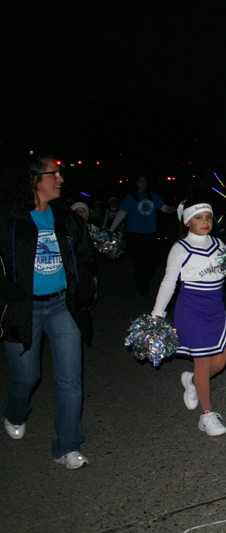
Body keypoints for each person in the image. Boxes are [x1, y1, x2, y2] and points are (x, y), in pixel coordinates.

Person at [1, 152, 95, 469]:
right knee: (27, 377)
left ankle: (67, 445)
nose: (61, 179)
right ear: (33, 180)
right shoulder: (9, 219)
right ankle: (14, 411)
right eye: (53, 174)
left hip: (61, 306)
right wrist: (4, 286)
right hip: (22, 309)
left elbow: (83, 256)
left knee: (71, 379)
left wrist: (85, 284)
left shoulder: (66, 218)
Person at [151, 200, 226, 435]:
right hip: (192, 311)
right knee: (204, 362)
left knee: (219, 364)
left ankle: (193, 381)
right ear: (186, 221)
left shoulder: (219, 244)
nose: (204, 222)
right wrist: (157, 314)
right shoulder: (180, 248)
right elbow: (168, 282)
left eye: (208, 217)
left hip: (216, 311)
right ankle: (207, 416)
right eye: (198, 217)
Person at [109, 176, 175, 295]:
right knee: (138, 262)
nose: (142, 183)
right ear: (135, 183)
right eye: (139, 181)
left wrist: (171, 210)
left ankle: (145, 277)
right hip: (135, 234)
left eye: (144, 181)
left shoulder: (152, 195)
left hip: (150, 233)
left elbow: (163, 208)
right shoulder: (130, 197)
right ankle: (142, 287)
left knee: (154, 259)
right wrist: (111, 230)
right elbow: (121, 214)